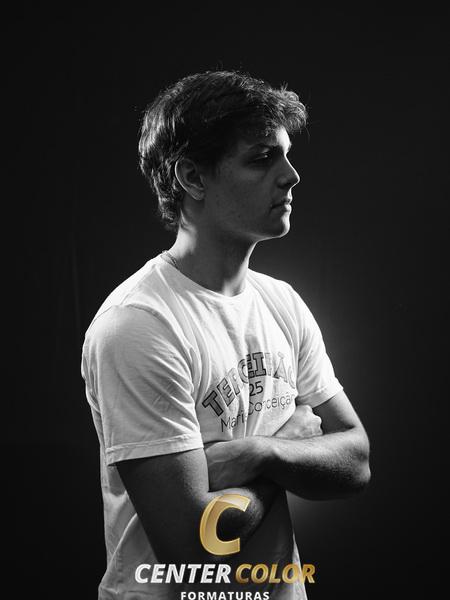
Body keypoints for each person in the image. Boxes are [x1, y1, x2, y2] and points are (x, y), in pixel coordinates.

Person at [81, 70, 371, 600]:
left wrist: (260, 453)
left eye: (286, 156)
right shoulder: (140, 325)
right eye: (261, 159)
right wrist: (286, 450)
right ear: (192, 177)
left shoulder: (281, 302)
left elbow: (355, 460)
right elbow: (193, 549)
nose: (291, 176)